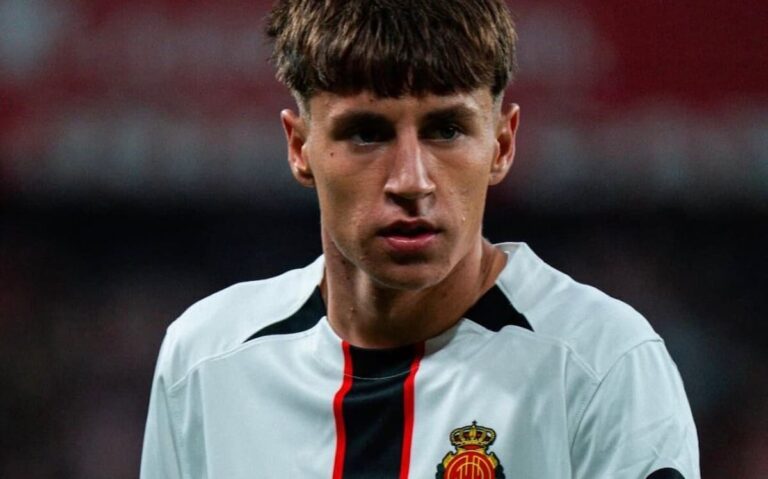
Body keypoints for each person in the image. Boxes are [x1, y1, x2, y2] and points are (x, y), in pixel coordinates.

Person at [140, 1, 700, 477]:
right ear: (299, 147)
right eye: (366, 133)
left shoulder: (600, 365)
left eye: (447, 130)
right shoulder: (205, 361)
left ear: (502, 145)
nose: (411, 180)